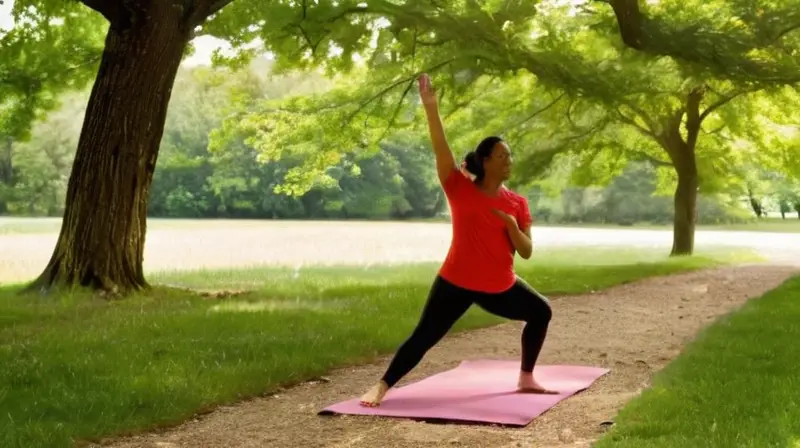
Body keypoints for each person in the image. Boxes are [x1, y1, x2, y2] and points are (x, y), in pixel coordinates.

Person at [358, 73, 556, 408]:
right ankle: (381, 386)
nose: (509, 161)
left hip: (499, 286)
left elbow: (526, 252)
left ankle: (526, 378)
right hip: (456, 281)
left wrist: (510, 225)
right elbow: (440, 146)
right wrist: (430, 106)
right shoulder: (459, 188)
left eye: (510, 156)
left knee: (542, 312)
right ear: (486, 160)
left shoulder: (517, 204)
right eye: (502, 156)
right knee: (424, 336)